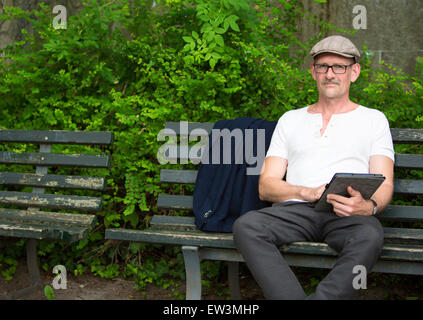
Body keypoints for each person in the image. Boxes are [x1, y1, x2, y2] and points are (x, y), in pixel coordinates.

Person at [232, 35, 395, 300]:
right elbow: (266, 186)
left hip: (347, 214)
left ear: (354, 72)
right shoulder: (290, 120)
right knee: (247, 226)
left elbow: (385, 182)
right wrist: (307, 192)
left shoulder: (373, 120)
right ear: (313, 72)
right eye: (323, 66)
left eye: (339, 67)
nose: (330, 74)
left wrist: (370, 206)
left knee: (370, 236)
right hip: (296, 211)